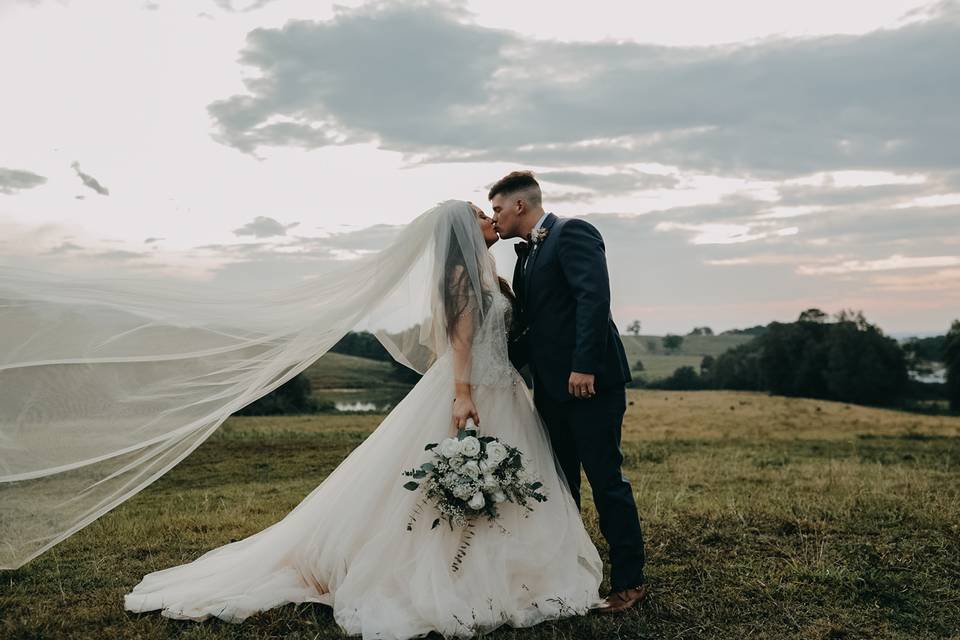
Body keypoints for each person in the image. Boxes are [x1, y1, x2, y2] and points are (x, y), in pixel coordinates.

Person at [121, 200, 606, 637]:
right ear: (464, 230)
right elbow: (459, 343)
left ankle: (507, 564)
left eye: (490, 211)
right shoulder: (459, 276)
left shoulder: (485, 275)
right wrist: (461, 395)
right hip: (473, 391)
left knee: (501, 480)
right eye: (482, 214)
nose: (490, 219)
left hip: (503, 390)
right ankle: (449, 571)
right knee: (448, 481)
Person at [489, 171, 649, 613]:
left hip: (590, 384)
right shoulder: (524, 257)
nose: (495, 218)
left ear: (520, 205)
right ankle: (572, 575)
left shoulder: (572, 232)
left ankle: (630, 582)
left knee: (605, 481)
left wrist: (584, 366)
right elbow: (537, 325)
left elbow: (593, 299)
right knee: (561, 485)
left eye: (498, 209)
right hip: (551, 390)